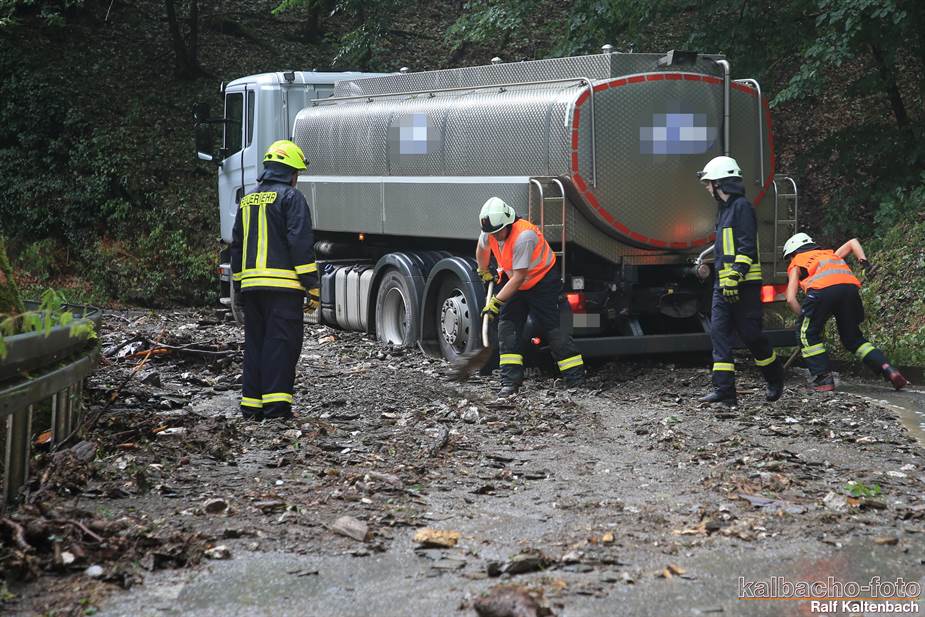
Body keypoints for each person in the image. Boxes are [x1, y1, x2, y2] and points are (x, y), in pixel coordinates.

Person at [230, 140, 319, 420]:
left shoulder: (247, 200)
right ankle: (276, 409)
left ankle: (251, 406)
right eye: (297, 173)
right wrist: (312, 285)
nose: (297, 178)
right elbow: (299, 242)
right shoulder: (291, 198)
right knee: (280, 346)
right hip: (283, 290)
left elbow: (237, 246)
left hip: (251, 289)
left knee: (255, 344)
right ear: (290, 172)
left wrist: (238, 286)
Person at [475, 197, 585, 398]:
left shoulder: (524, 236)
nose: (495, 237)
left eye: (498, 232)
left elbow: (519, 278)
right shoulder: (490, 231)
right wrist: (483, 270)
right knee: (508, 329)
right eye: (492, 233)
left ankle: (576, 381)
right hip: (514, 281)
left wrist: (496, 302)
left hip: (542, 283)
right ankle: (509, 383)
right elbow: (482, 248)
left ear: (508, 223)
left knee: (555, 331)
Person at [696, 156, 784, 407]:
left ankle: (775, 376)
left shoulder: (742, 207)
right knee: (718, 334)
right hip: (722, 287)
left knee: (751, 335)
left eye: (709, 182)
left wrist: (736, 275)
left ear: (720, 183)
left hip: (744, 286)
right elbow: (724, 248)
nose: (707, 187)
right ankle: (725, 391)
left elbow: (747, 247)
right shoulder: (723, 210)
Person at [782, 232, 907, 391]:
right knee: (853, 339)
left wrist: (808, 317)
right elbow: (853, 242)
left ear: (793, 252)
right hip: (850, 290)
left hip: (821, 292)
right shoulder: (829, 255)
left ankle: (823, 379)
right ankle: (888, 369)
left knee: (806, 333)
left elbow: (790, 299)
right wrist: (864, 263)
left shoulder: (796, 263)